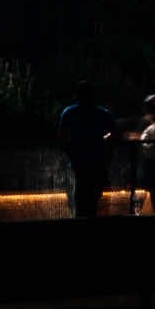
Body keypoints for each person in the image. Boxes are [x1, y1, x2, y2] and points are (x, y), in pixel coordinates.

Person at [57, 82, 116, 217]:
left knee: (79, 195)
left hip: (77, 161)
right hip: (97, 160)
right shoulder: (102, 113)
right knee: (93, 198)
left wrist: (69, 152)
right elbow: (114, 134)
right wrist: (105, 146)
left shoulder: (70, 112)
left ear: (77, 96)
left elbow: (61, 136)